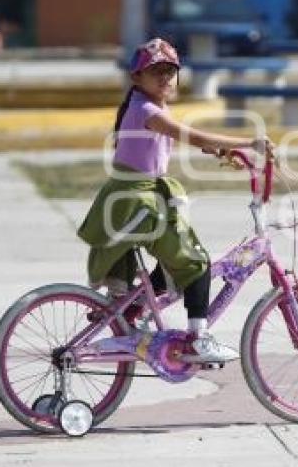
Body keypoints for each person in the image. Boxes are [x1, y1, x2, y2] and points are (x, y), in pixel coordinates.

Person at [77, 38, 271, 363]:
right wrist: (249, 142)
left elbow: (181, 140)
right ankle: (198, 339)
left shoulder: (145, 106)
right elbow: (190, 135)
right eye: (156, 72)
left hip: (135, 198)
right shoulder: (147, 110)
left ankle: (133, 308)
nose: (165, 78)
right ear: (136, 78)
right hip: (139, 203)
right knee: (195, 263)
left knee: (173, 261)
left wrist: (223, 152)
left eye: (170, 72)